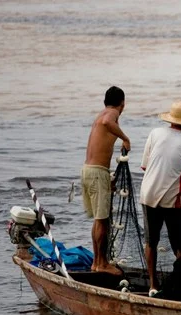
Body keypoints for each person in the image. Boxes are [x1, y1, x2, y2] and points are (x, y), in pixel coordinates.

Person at [139, 100, 181, 295]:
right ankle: (180, 284)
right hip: (172, 200)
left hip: (148, 194)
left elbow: (146, 166)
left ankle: (152, 284)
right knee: (180, 245)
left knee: (151, 242)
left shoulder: (155, 133)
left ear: (170, 118)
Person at [81, 85, 130, 275]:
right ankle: (102, 264)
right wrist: (125, 139)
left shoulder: (100, 113)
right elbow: (108, 122)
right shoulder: (111, 114)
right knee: (102, 220)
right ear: (122, 103)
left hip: (89, 170)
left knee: (99, 220)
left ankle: (97, 262)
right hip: (96, 172)